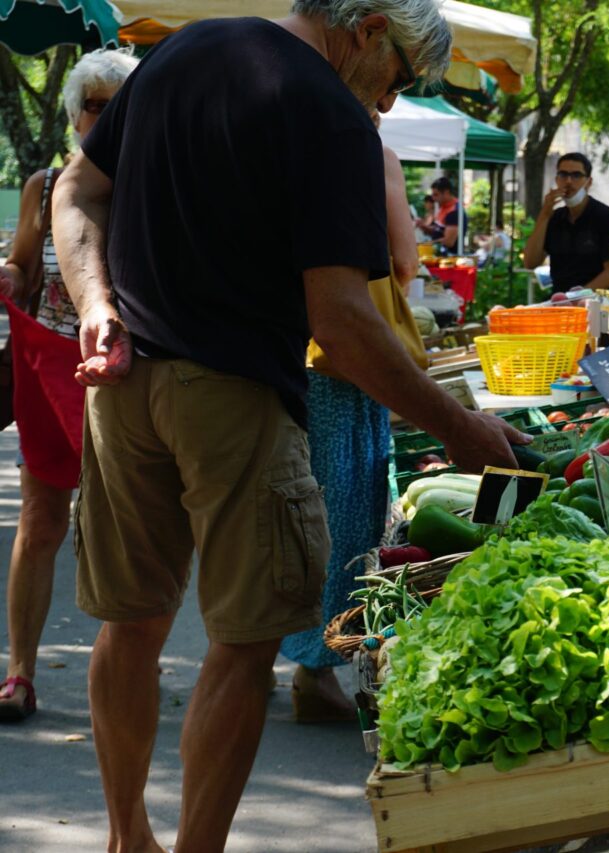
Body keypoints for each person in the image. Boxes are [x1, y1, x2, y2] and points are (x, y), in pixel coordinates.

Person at [50, 3, 527, 850]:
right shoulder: (333, 114)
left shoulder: (181, 51)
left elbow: (77, 188)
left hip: (122, 389)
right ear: (369, 27)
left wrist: (96, 303)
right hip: (234, 398)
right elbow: (341, 321)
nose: (389, 103)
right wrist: (456, 427)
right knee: (245, 639)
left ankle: (129, 840)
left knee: (130, 623)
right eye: (401, 79)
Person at [0, 47, 139, 724]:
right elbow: (24, 271)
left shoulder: (153, 186)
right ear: (73, 112)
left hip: (126, 381)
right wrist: (7, 274)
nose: (107, 118)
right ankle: (20, 672)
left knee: (133, 529)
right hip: (49, 368)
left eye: (122, 107)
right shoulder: (43, 184)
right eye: (95, 105)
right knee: (42, 519)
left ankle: (127, 676)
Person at [280, 114, 422, 722]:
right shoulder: (371, 154)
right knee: (342, 509)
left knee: (282, 507)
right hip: (345, 360)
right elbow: (405, 261)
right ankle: (317, 668)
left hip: (283, 352)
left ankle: (265, 650)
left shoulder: (281, 145)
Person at [522, 152, 609, 294]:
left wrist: (577, 296)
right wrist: (544, 214)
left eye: (576, 175)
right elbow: (530, 262)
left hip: (596, 304)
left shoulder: (606, 217)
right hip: (560, 302)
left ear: (589, 182)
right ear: (556, 180)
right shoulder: (555, 218)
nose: (568, 181)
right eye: (563, 175)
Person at [415, 175, 465, 255]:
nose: (433, 198)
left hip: (449, 258)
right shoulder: (443, 207)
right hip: (439, 255)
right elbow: (438, 230)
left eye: (436, 194)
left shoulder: (454, 211)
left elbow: (449, 242)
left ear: (446, 193)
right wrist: (423, 226)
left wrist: (427, 244)